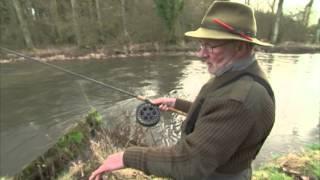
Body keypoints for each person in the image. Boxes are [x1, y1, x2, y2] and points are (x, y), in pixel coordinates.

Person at [89, 1, 275, 180]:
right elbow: (218, 112)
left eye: (210, 46)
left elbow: (189, 163)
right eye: (201, 45)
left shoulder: (239, 99)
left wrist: (126, 157)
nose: (201, 54)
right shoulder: (238, 75)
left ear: (240, 47)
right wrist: (177, 104)